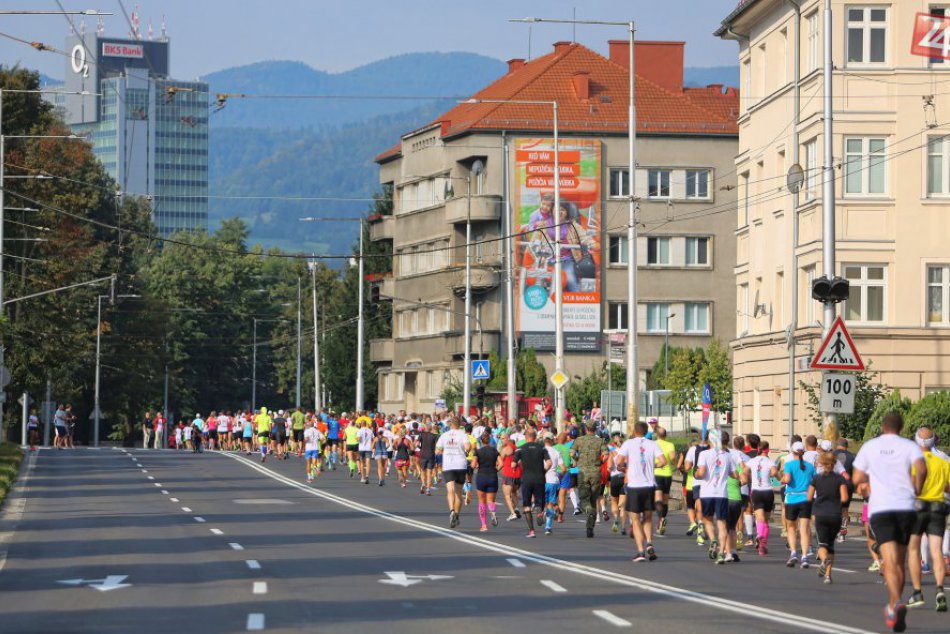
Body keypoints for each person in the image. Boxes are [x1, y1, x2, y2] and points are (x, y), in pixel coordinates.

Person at [853, 412, 927, 633]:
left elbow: (856, 478)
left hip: (882, 508)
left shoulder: (870, 446)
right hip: (906, 507)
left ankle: (895, 604)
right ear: (901, 427)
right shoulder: (909, 446)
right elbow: (922, 468)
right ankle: (896, 604)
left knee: (890, 560)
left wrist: (869, 482)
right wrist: (917, 488)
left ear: (883, 426)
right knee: (901, 561)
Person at [906, 426, 950, 611]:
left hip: (917, 507)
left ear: (916, 441)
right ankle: (940, 588)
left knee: (914, 549)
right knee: (936, 550)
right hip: (938, 507)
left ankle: (917, 591)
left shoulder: (913, 462)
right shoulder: (943, 463)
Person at [615, 421, 666, 562]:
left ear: (634, 431)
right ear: (646, 431)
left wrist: (624, 466)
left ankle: (640, 551)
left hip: (634, 487)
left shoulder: (628, 443)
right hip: (649, 486)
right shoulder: (653, 444)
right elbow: (664, 461)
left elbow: (618, 461)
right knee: (648, 518)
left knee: (636, 520)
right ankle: (649, 542)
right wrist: (653, 465)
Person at [695, 433, 738, 564]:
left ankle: (713, 539)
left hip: (707, 493)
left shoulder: (704, 454)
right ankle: (721, 553)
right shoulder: (728, 455)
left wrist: (696, 474)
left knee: (707, 520)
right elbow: (735, 474)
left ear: (711, 440)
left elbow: (701, 473)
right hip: (722, 494)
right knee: (722, 524)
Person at [808, 452, 849, 584]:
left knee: (822, 545)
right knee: (830, 546)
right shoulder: (839, 479)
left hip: (820, 514)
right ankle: (828, 575)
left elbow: (809, 497)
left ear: (821, 463)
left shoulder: (816, 478)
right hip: (835, 515)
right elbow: (844, 498)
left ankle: (824, 559)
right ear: (834, 463)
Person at [782, 441, 815, 568]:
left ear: (792, 452)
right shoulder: (810, 466)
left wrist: (783, 479)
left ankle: (793, 553)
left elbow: (788, 479)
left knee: (791, 528)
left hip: (792, 499)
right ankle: (805, 556)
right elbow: (814, 481)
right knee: (804, 529)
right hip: (806, 498)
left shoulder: (789, 464)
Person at [513, 428, 551, 538]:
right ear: (535, 437)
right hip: (539, 478)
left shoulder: (520, 449)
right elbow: (549, 462)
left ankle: (532, 531)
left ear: (526, 437)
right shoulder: (542, 448)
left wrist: (520, 463)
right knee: (539, 501)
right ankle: (539, 512)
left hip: (526, 479)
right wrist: (543, 471)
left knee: (527, 505)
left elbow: (513, 465)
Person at [572, 420, 607, 538]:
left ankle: (589, 511)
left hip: (583, 473)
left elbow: (572, 453)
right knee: (593, 499)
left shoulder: (579, 440)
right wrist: (600, 461)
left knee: (583, 499)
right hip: (596, 473)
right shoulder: (600, 441)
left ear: (586, 428)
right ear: (595, 428)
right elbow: (606, 455)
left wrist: (577, 459)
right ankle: (590, 527)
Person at [435, 417, 472, 528]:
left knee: (450, 490)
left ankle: (451, 511)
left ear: (451, 424)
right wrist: (466, 451)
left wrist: (443, 451)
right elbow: (468, 447)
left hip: (448, 465)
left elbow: (437, 451)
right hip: (460, 465)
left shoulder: (444, 435)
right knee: (459, 493)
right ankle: (456, 514)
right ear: (460, 424)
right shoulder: (463, 434)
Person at [747, 441, 776, 556]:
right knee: (766, 521)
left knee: (760, 520)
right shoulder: (770, 461)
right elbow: (774, 472)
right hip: (768, 491)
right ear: (768, 450)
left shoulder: (752, 461)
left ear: (758, 449)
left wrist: (749, 477)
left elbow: (744, 470)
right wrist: (769, 475)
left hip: (756, 492)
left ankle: (760, 536)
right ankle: (763, 544)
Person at [473, 431, 501, 532]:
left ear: (481, 441)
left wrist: (476, 466)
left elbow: (473, 464)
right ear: (489, 440)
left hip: (481, 476)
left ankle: (484, 525)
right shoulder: (494, 451)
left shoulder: (478, 451)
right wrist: (496, 470)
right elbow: (501, 463)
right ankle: (492, 512)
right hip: (492, 476)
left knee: (481, 501)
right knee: (490, 500)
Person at [653, 427, 678, 536]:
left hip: (657, 473)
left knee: (658, 499)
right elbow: (672, 458)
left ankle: (661, 520)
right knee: (665, 500)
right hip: (667, 474)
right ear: (666, 435)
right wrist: (674, 462)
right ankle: (663, 519)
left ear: (656, 435)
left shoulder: (653, 444)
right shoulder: (670, 444)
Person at [417, 422, 439, 495]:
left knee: (423, 471)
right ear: (431, 429)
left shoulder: (421, 435)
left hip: (423, 455)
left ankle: (423, 483)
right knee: (429, 472)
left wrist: (420, 448)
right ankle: (428, 489)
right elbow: (437, 446)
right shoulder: (434, 436)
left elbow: (417, 444)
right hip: (431, 455)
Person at [303, 418, 323, 483]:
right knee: (314, 463)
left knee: (308, 463)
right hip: (315, 448)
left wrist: (304, 442)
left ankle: (309, 478)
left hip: (308, 449)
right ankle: (315, 467)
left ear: (309, 425)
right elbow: (323, 439)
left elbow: (306, 439)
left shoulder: (307, 431)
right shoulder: (318, 431)